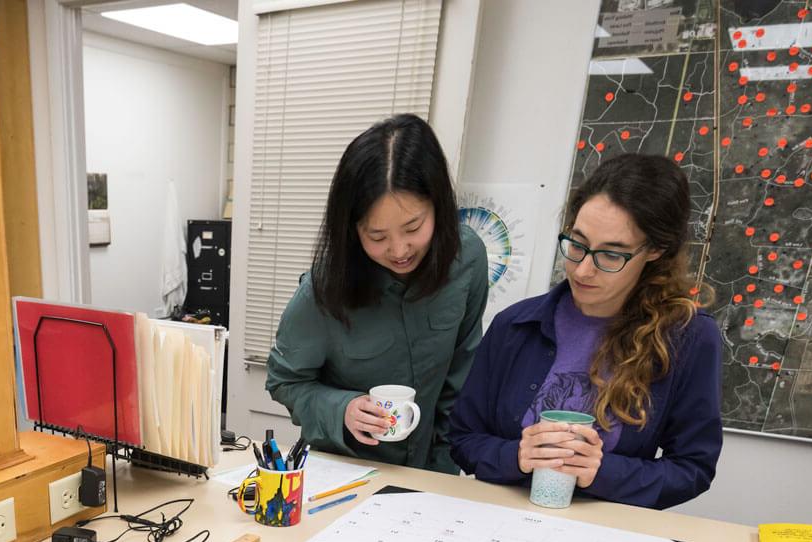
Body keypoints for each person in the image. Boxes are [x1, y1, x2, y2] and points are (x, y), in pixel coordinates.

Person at [449, 153, 722, 508]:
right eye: (577, 245)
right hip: (503, 526)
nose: (582, 271)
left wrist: (602, 471)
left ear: (656, 250)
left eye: (611, 255)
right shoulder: (515, 325)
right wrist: (516, 455)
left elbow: (692, 469)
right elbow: (463, 437)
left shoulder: (688, 338)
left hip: (601, 538)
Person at [266, 114, 488, 474]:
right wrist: (342, 409)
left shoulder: (467, 258)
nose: (399, 250)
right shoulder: (325, 288)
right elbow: (285, 380)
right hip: (343, 472)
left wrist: (446, 469)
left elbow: (461, 375)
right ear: (352, 230)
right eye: (377, 236)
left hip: (431, 473)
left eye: (413, 227)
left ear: (439, 206)